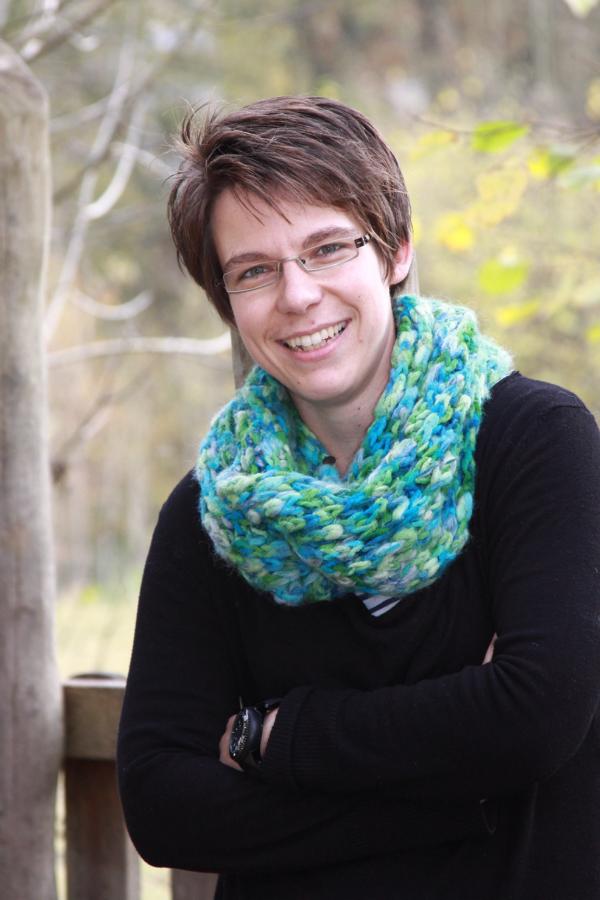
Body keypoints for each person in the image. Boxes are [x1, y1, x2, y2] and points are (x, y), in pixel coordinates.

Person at [117, 96, 600, 900]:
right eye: (254, 271)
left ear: (396, 250)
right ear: (227, 300)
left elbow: (538, 716)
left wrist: (272, 737)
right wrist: (469, 795)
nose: (297, 295)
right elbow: (163, 807)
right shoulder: (213, 514)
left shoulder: (534, 441)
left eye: (328, 248)